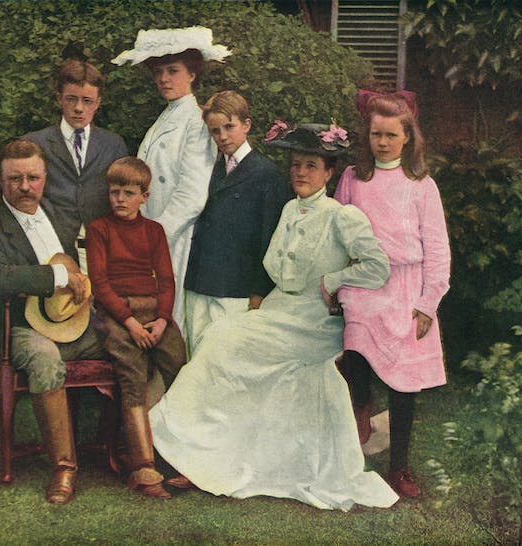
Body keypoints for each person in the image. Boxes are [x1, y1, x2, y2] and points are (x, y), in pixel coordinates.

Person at [149, 121, 399, 511]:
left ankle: (212, 455)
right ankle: (206, 452)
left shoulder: (341, 216)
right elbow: (277, 269)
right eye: (296, 165)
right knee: (220, 337)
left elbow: (377, 265)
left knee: (231, 343)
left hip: (315, 322)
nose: (301, 173)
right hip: (280, 310)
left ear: (328, 172)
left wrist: (334, 280)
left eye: (311, 166)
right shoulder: (287, 208)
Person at [0, 139, 105, 505]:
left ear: (45, 177)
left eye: (33, 177)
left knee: (131, 340)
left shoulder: (62, 217)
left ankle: (132, 453)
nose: (25, 187)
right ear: (1, 180)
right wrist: (58, 278)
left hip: (73, 324)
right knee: (45, 357)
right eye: (15, 179)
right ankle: (64, 468)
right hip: (18, 331)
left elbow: (86, 261)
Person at [334, 90, 451, 498]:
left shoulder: (421, 186)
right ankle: (359, 418)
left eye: (390, 135)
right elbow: (336, 234)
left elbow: (437, 250)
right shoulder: (353, 179)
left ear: (407, 138)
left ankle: (399, 466)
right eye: (375, 134)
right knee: (356, 358)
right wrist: (335, 280)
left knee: (404, 383)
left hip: (405, 289)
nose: (382, 142)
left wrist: (427, 304)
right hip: (363, 285)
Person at [112, 26, 228, 337]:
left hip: (176, 238)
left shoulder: (197, 121)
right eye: (159, 71)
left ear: (192, 74)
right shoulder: (164, 118)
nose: (164, 79)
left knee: (174, 320)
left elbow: (192, 193)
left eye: (173, 71)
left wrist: (156, 236)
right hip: (152, 235)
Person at [85, 157, 187, 499]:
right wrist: (129, 322)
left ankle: (183, 457)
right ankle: (143, 466)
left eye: (128, 193)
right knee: (131, 374)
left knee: (179, 366)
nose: (120, 199)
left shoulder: (154, 231)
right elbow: (99, 283)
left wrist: (161, 320)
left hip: (152, 311)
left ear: (144, 196)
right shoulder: (99, 229)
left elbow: (167, 281)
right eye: (114, 192)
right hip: (116, 314)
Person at [184, 90, 292, 352]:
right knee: (197, 357)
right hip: (200, 283)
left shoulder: (265, 174)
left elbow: (270, 240)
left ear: (246, 125)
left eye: (229, 127)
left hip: (237, 289)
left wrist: (259, 293)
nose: (222, 136)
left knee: (228, 358)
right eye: (215, 131)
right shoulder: (209, 167)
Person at [22, 57, 128, 272]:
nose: (79, 108)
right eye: (71, 99)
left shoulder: (113, 144)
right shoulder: (35, 143)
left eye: (87, 101)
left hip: (102, 251)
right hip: (52, 251)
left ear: (97, 103)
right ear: (59, 99)